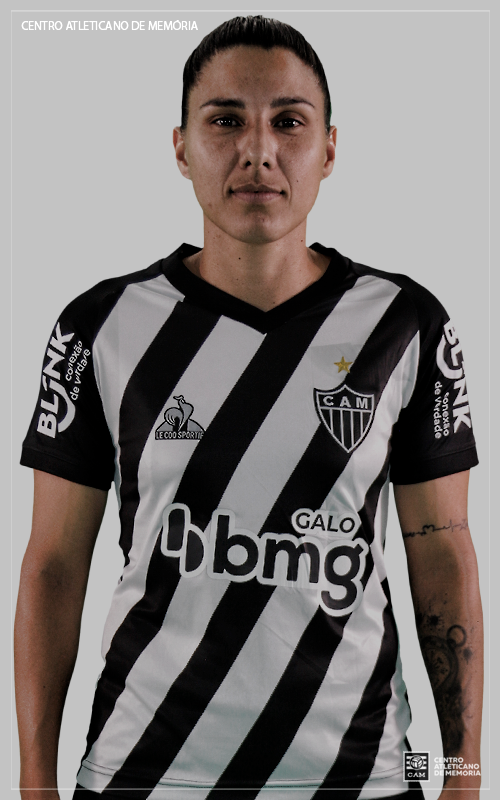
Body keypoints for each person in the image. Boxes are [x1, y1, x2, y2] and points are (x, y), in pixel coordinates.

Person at [15, 15, 483, 800]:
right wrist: (34, 782)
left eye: (288, 122)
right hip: (144, 776)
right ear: (180, 148)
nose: (258, 151)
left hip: (361, 778)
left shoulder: (407, 325)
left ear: (329, 149)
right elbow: (55, 565)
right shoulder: (98, 327)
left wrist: (462, 775)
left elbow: (441, 551)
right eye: (226, 120)